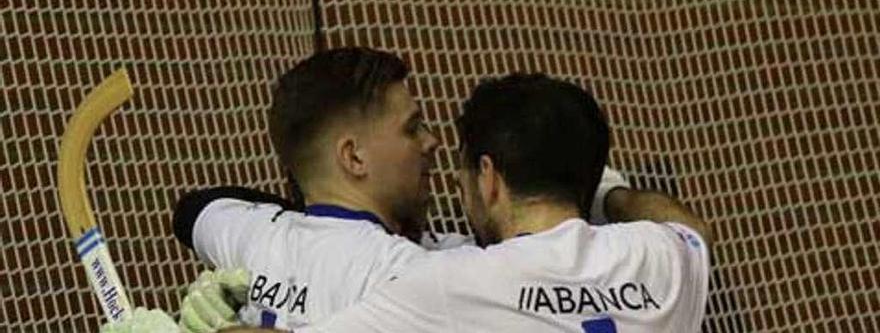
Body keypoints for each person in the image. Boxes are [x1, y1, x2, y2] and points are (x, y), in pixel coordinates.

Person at [227, 73, 712, 332]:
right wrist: (608, 194)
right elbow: (689, 230)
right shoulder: (663, 257)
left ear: (489, 179)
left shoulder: (454, 284)